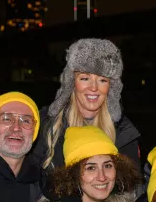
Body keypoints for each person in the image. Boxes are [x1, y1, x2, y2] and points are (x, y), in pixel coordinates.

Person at [33, 38, 141, 172]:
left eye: (102, 80)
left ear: (111, 87)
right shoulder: (47, 124)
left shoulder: (122, 131)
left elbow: (132, 186)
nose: (94, 87)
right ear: (72, 82)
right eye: (85, 78)